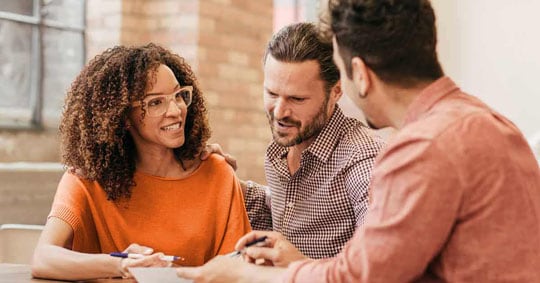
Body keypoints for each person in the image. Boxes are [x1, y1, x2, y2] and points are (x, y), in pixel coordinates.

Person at [177, 0, 540, 282]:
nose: (281, 109)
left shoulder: (423, 148)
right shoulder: (485, 123)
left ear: (360, 76)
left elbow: (362, 276)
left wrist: (246, 276)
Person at [31, 43, 251, 281]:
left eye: (178, 95)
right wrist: (120, 264)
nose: (176, 110)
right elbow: (44, 258)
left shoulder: (217, 173)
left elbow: (238, 271)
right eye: (156, 102)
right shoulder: (86, 179)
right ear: (123, 116)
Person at [225, 22, 383, 262]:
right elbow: (286, 212)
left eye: (297, 99)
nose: (279, 112)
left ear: (336, 91)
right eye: (272, 93)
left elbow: (378, 264)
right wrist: (222, 178)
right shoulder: (284, 145)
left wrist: (298, 265)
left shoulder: (364, 159)